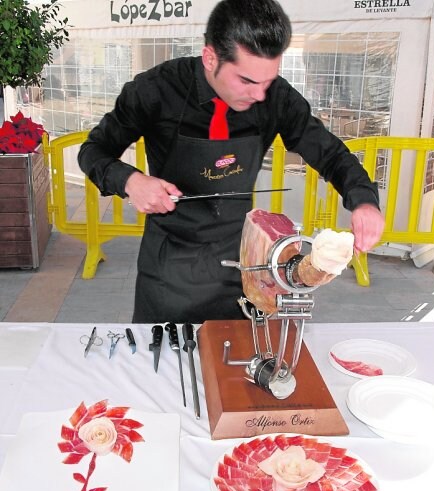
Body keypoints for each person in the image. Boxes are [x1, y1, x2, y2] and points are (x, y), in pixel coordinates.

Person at [78, 0, 385, 324]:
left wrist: (364, 200)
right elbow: (94, 151)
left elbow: (330, 153)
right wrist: (130, 181)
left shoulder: (275, 97)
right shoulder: (157, 89)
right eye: (247, 81)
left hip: (244, 266)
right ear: (211, 57)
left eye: (268, 81)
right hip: (169, 269)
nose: (260, 96)